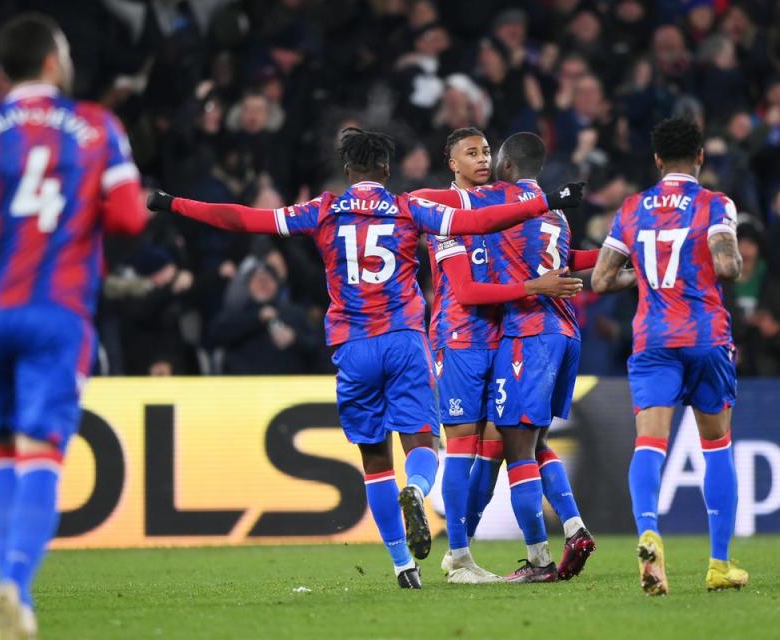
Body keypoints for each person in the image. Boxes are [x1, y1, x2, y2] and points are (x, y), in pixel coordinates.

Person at [147, 126, 585, 589]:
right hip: (404, 339)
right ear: (387, 169)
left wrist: (174, 203)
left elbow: (242, 218)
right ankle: (416, 490)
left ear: (348, 170)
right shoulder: (407, 207)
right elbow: (478, 222)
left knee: (374, 461)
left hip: (352, 345)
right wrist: (547, 201)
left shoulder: (323, 209)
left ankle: (402, 565)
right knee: (424, 446)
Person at [0, 13, 147, 638]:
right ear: (52, 61)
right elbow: (129, 218)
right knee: (40, 450)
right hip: (56, 310)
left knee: (1, 452)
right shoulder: (99, 127)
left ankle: (10, 601)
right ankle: (15, 586)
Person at [418, 132, 604, 583]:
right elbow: (464, 290)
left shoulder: (499, 205)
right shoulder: (453, 213)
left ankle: (523, 555)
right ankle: (462, 552)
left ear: (501, 162)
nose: (481, 159)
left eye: (486, 152)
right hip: (464, 337)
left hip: (512, 338)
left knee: (514, 445)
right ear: (453, 163)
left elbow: (550, 254)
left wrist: (615, 255)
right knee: (481, 446)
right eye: (472, 153)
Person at [591, 117, 748, 595]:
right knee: (716, 445)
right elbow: (728, 266)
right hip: (704, 337)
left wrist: (646, 274)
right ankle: (718, 565)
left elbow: (600, 280)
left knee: (649, 444)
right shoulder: (715, 204)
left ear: (656, 160)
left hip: (654, 340)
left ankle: (648, 531)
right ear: (700, 157)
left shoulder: (633, 208)